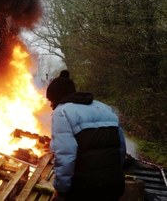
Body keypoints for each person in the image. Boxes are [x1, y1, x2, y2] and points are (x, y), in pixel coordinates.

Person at [46, 70, 126, 201]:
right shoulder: (105, 108)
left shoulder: (62, 113)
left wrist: (62, 190)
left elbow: (65, 157)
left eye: (50, 100)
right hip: (114, 185)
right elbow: (121, 149)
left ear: (57, 97)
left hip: (85, 189)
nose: (50, 105)